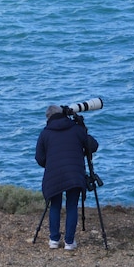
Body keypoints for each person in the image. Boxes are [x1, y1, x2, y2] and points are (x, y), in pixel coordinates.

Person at [35, 105, 99, 251]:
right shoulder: (76, 130)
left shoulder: (45, 133)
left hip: (53, 175)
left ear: (48, 118)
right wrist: (82, 128)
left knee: (55, 205)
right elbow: (93, 146)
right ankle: (69, 242)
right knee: (71, 206)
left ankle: (54, 240)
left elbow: (39, 158)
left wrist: (50, 164)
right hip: (74, 174)